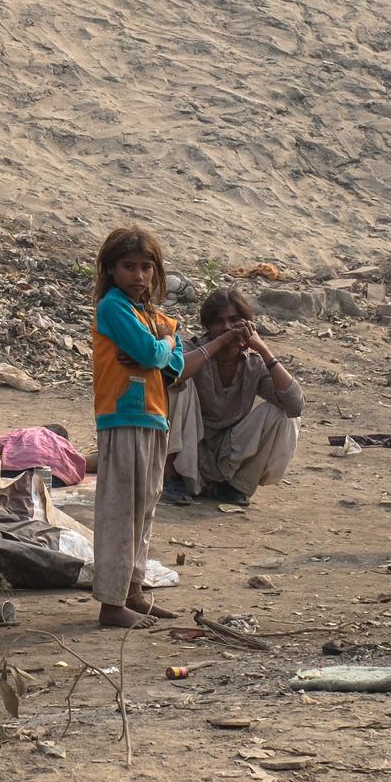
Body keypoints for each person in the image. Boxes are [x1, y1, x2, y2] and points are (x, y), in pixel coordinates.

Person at [88, 225, 222, 628]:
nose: (139, 276)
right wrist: (159, 349)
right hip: (123, 416)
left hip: (152, 416)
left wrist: (160, 352)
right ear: (111, 270)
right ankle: (111, 605)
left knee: (144, 509)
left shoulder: (150, 314)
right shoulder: (113, 307)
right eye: (129, 267)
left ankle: (133, 592)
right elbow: (155, 350)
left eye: (146, 267)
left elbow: (175, 364)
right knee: (120, 511)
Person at [164, 288, 304, 506]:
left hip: (228, 449)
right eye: (219, 322)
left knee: (283, 412)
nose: (227, 327)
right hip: (188, 443)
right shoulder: (193, 349)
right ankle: (172, 478)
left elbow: (295, 405)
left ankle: (236, 486)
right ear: (208, 327)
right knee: (178, 385)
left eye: (234, 320)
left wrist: (264, 350)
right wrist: (219, 342)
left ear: (248, 324)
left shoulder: (253, 363)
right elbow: (172, 375)